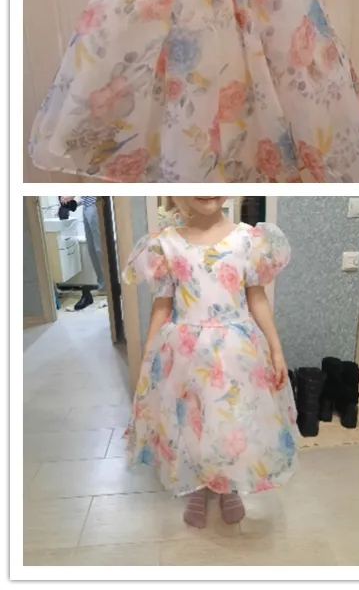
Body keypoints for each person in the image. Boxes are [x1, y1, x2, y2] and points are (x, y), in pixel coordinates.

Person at [123, 196, 298, 528]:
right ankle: (197, 486)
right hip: (185, 354)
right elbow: (162, 304)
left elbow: (256, 297)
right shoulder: (165, 244)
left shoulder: (248, 239)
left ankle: (228, 486)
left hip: (235, 354)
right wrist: (148, 355)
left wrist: (276, 349)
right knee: (190, 422)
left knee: (232, 422)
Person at [58, 195, 105, 310]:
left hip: (96, 205)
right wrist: (74, 203)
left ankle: (108, 288)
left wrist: (71, 195)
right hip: (87, 207)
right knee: (92, 249)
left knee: (100, 249)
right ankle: (103, 286)